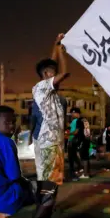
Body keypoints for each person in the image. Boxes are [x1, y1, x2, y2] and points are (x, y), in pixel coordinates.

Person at [32, 33, 70, 187]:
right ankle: (44, 207)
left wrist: (56, 43)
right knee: (49, 180)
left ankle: (47, 205)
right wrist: (61, 52)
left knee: (53, 179)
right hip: (48, 143)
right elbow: (65, 73)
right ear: (46, 75)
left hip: (54, 142)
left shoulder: (49, 91)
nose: (57, 75)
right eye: (53, 72)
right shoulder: (41, 87)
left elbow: (52, 64)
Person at [68, 107, 85, 180]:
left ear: (76, 113)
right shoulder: (75, 121)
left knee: (71, 156)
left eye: (72, 113)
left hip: (74, 140)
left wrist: (68, 134)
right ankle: (79, 167)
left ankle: (74, 170)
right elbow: (71, 128)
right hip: (72, 139)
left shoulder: (78, 121)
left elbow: (76, 131)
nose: (71, 114)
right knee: (73, 155)